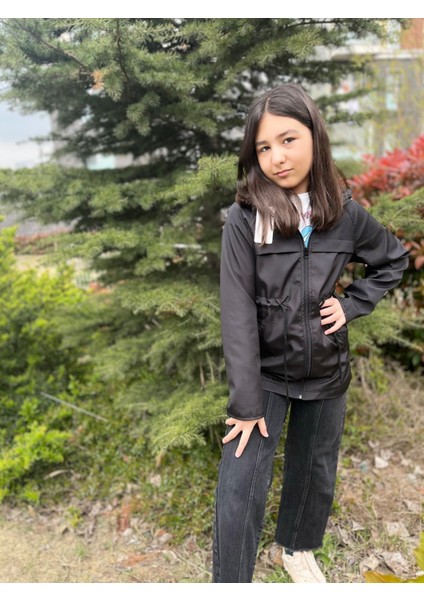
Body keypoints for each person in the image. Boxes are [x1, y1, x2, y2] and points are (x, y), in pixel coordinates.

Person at [213, 83, 409, 584]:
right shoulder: (245, 218)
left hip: (325, 367)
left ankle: (297, 549)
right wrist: (246, 403)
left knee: (315, 468)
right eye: (263, 147)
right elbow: (236, 310)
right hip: (265, 374)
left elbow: (393, 261)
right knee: (240, 481)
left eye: (288, 140)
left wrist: (351, 304)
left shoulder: (344, 213)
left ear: (314, 136)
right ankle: (230, 581)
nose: (276, 157)